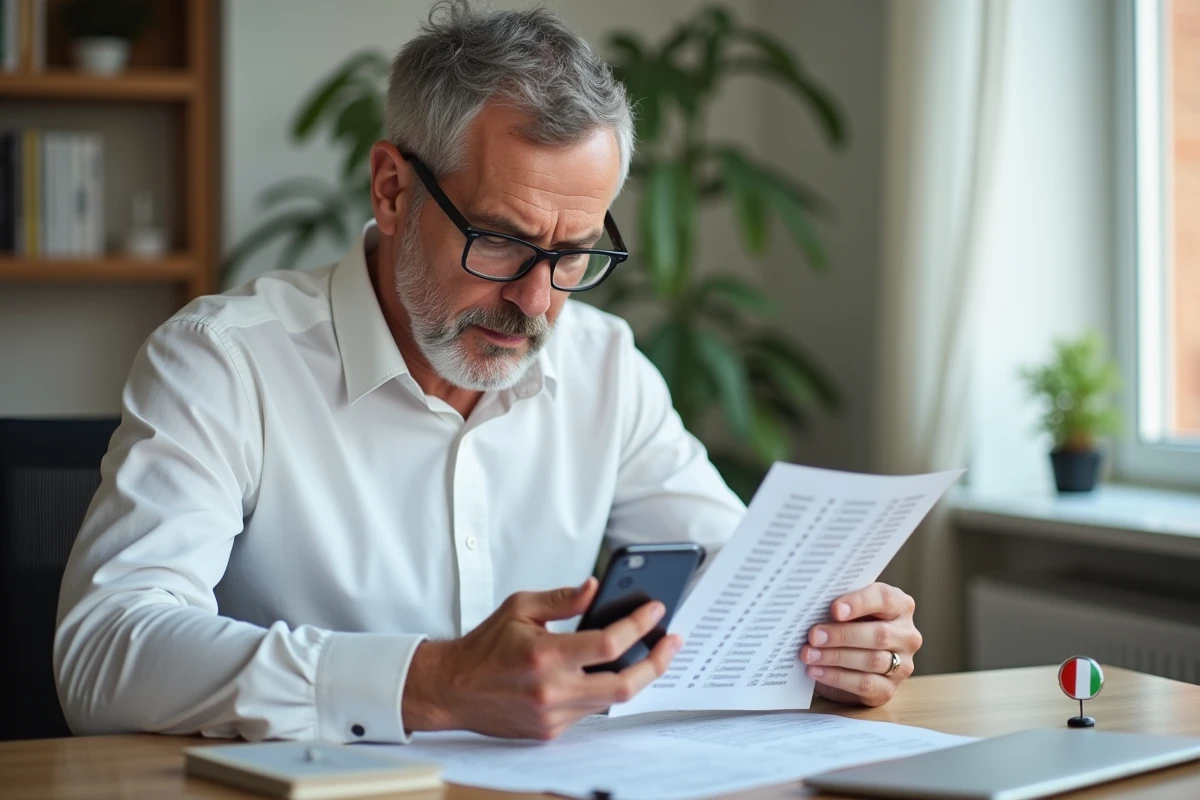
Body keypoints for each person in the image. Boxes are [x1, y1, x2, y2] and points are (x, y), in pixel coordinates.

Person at [54, 1, 922, 744]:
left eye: (575, 253)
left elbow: (740, 579)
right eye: (502, 240)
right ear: (392, 190)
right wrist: (431, 682)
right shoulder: (223, 361)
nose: (538, 303)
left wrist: (834, 639)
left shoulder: (605, 366)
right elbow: (103, 651)